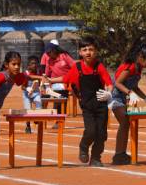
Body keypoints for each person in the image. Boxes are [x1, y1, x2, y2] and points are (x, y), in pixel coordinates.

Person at [48, 37, 113, 167]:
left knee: (101, 134)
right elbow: (65, 78)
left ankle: (95, 158)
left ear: (96, 52)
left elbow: (109, 83)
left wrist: (109, 93)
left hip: (101, 104)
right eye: (85, 50)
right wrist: (51, 80)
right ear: (80, 52)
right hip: (87, 105)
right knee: (90, 131)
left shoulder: (99, 66)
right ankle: (83, 146)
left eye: (91, 49)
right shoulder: (77, 68)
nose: (88, 52)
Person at [109, 44, 146, 165]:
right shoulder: (129, 67)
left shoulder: (138, 68)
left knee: (126, 123)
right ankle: (119, 154)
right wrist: (129, 93)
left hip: (124, 97)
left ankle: (120, 154)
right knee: (125, 122)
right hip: (115, 97)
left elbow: (134, 86)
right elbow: (118, 83)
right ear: (141, 57)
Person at [43, 41, 76, 125]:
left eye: (49, 52)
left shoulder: (64, 56)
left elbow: (74, 67)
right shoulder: (49, 61)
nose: (48, 54)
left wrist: (69, 79)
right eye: (47, 53)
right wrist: (45, 81)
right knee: (47, 95)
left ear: (54, 50)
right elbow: (46, 74)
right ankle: (43, 117)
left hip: (66, 81)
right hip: (54, 82)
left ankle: (59, 120)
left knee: (60, 97)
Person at [22, 55, 43, 134]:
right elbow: (22, 87)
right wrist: (28, 89)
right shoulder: (26, 73)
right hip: (26, 94)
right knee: (27, 110)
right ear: (28, 65)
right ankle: (28, 126)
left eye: (36, 63)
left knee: (39, 102)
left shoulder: (39, 72)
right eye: (32, 64)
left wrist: (42, 87)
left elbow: (41, 82)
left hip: (36, 92)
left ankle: (36, 118)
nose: (34, 65)